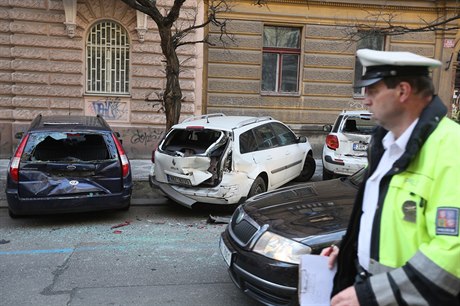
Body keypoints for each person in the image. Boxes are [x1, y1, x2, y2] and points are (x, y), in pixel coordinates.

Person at [321, 49, 460, 306]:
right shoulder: (384, 142)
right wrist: (350, 248)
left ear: (403, 91)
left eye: (372, 90)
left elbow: (452, 253)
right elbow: (384, 218)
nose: (365, 100)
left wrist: (372, 295)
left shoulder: (452, 147)